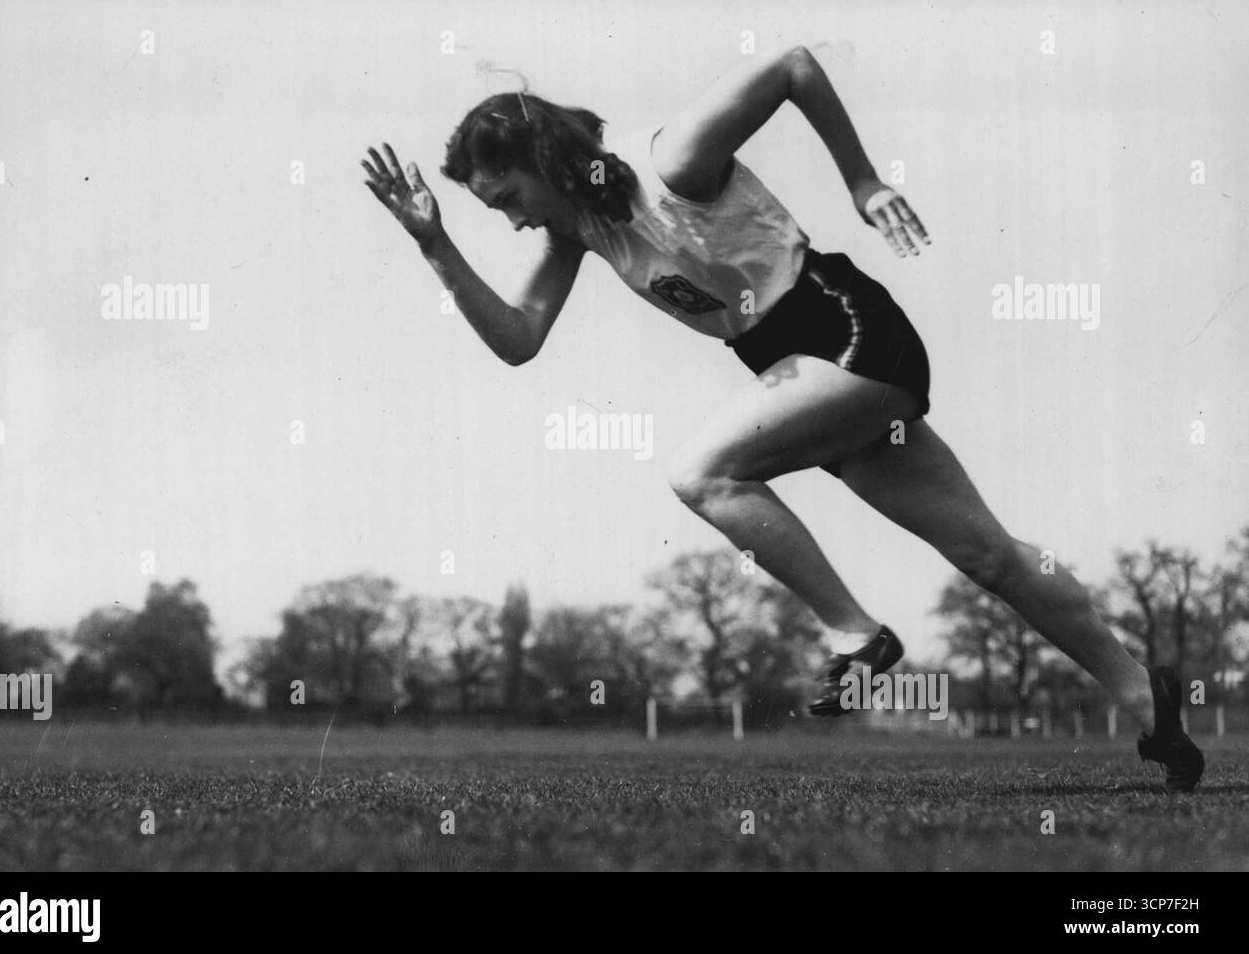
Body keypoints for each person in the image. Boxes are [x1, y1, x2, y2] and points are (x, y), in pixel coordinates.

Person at [361, 45, 1204, 790]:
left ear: (544, 159)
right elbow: (518, 340)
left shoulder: (673, 162)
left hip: (849, 335)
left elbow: (794, 65)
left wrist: (865, 182)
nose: (511, 220)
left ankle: (858, 637)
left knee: (702, 472)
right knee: (989, 554)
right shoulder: (579, 235)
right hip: (802, 372)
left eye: (507, 196)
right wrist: (436, 246)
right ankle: (1143, 694)